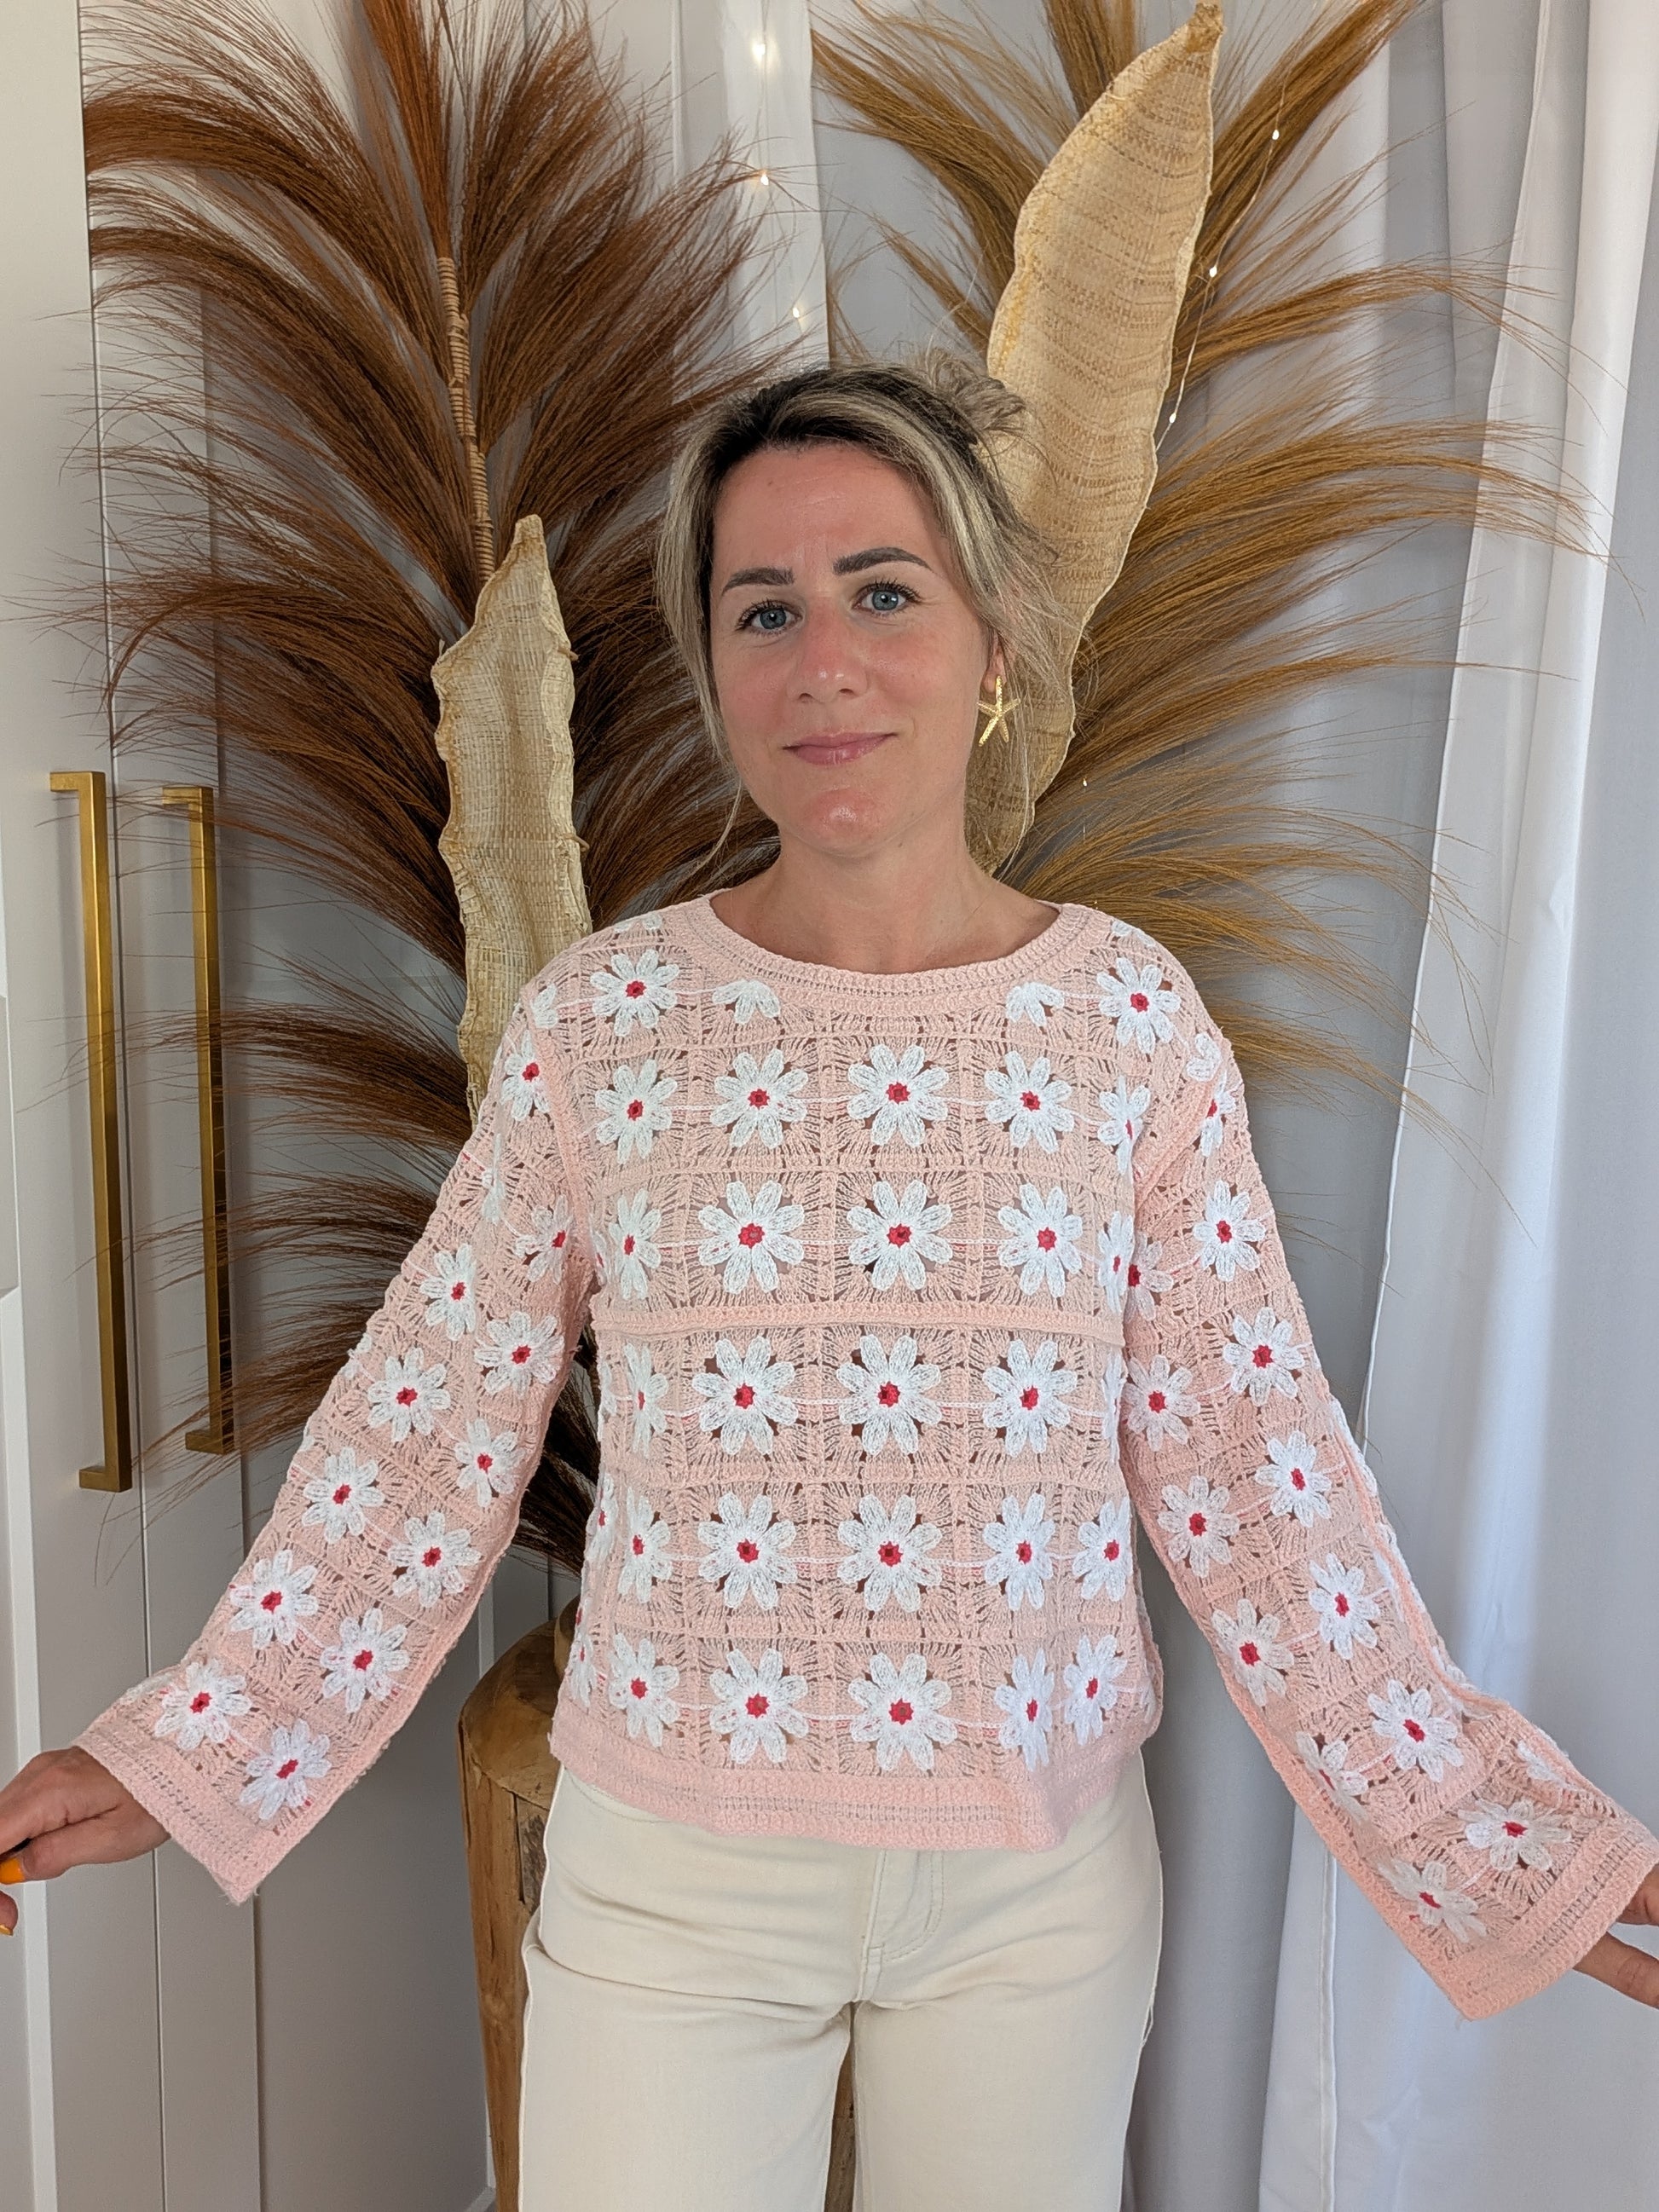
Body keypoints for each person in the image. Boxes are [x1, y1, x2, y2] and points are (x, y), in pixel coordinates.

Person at [3, 358, 1656, 2210]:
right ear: (714, 670)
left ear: (993, 643)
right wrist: (187, 1754)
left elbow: (1260, 1478)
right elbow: (426, 1430)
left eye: (883, 591)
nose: (825, 665)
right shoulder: (604, 1024)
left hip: (1033, 1896)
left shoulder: (1125, 1024)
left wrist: (1499, 1837)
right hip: (672, 1884)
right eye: (765, 611)